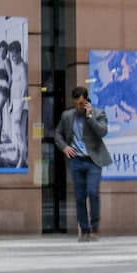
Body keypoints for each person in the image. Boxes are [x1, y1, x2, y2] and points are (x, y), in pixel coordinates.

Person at [56, 84, 110, 241]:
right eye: (76, 104)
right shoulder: (67, 116)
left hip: (94, 160)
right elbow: (58, 134)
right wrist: (64, 147)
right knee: (79, 197)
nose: (79, 107)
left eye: (81, 104)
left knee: (93, 192)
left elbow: (102, 131)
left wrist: (90, 116)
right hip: (76, 161)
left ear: (87, 101)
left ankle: (95, 228)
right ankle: (84, 230)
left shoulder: (98, 113)